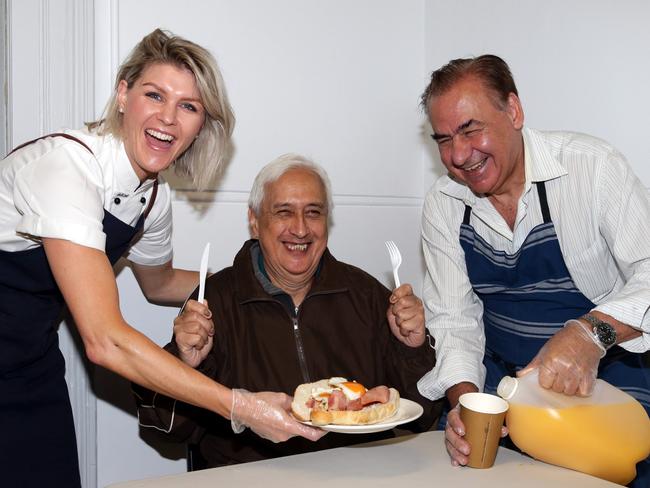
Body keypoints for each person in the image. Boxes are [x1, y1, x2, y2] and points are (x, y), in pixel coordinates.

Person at [0, 29, 321, 488]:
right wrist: (239, 405)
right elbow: (104, 340)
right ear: (123, 95)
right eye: (155, 95)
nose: (168, 118)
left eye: (188, 106)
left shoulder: (152, 196)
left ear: (200, 124)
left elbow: (161, 282)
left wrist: (268, 278)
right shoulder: (66, 168)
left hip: (29, 362)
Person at [416, 55, 650, 486]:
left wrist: (589, 333)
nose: (459, 155)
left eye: (471, 129)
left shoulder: (591, 167)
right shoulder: (443, 204)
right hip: (501, 378)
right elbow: (454, 320)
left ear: (514, 111)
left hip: (607, 371)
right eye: (444, 139)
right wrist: (466, 404)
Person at [133, 154, 442, 467]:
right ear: (254, 221)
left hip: (356, 473)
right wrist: (187, 365)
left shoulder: (366, 294)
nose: (300, 229)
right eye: (284, 212)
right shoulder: (214, 303)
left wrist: (413, 349)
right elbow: (164, 429)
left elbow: (423, 416)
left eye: (313, 212)